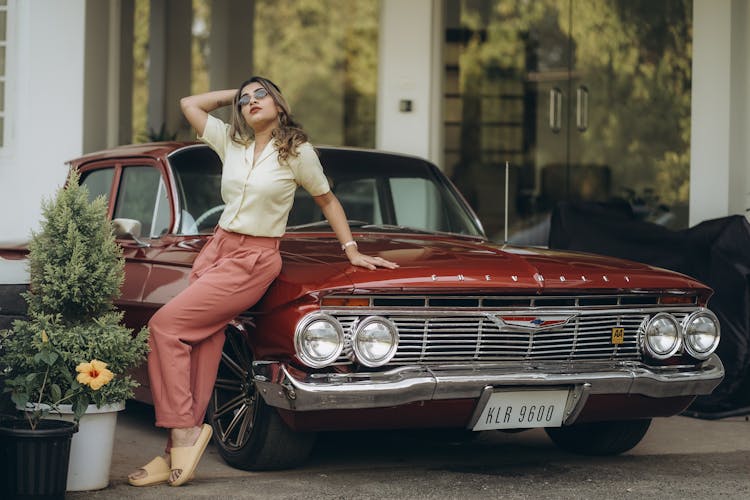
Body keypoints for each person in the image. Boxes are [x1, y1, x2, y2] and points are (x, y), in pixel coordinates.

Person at [128, 76, 398, 487]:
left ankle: (183, 431)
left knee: (165, 328)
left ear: (280, 103)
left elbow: (327, 200)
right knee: (201, 341)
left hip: (255, 258)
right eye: (245, 99)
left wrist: (352, 250)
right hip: (217, 250)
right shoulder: (230, 143)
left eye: (261, 95)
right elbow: (188, 103)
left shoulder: (297, 152)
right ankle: (174, 448)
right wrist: (229, 95)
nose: (252, 102)